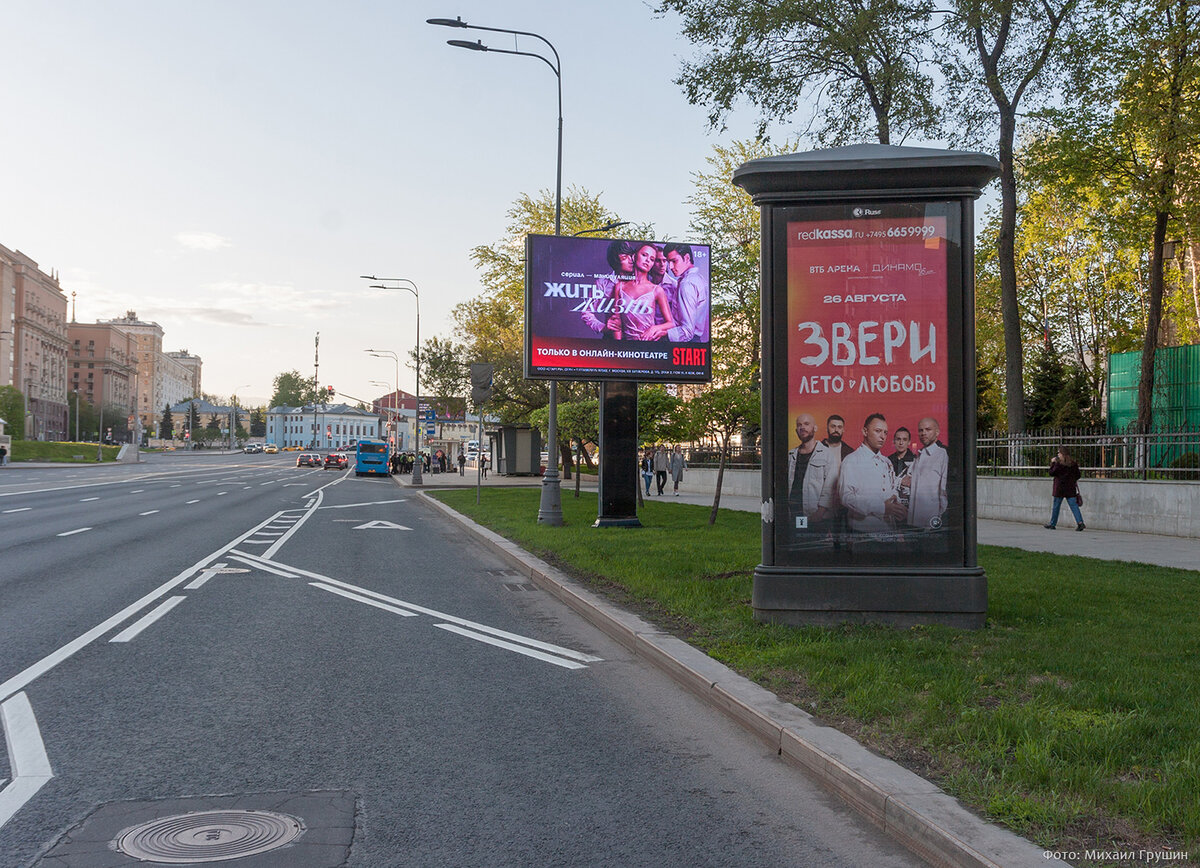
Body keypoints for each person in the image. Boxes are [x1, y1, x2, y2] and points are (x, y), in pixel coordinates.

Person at [838, 413, 907, 534]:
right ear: (865, 431)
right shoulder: (852, 460)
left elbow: (891, 488)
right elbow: (846, 498)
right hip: (864, 533)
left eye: (885, 432)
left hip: (889, 531)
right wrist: (882, 508)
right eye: (878, 431)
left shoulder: (886, 461)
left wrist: (896, 503)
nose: (882, 436)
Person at [643, 243, 709, 343]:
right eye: (669, 262)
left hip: (686, 343)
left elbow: (687, 332)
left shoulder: (686, 284)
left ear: (687, 258)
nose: (670, 267)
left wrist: (664, 333)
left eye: (674, 261)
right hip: (693, 342)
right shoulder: (698, 279)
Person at [608, 244, 676, 341]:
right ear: (634, 257)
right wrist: (618, 347)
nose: (648, 260)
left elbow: (671, 323)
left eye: (652, 259)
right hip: (627, 347)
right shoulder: (619, 287)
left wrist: (655, 328)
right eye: (644, 255)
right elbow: (616, 322)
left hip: (649, 347)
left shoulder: (656, 290)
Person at [786, 413, 837, 531]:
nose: (802, 427)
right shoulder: (790, 455)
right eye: (799, 425)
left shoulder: (827, 455)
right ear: (796, 430)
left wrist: (820, 513)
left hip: (815, 517)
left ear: (815, 428)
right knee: (796, 545)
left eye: (806, 424)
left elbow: (830, 487)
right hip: (792, 515)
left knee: (813, 546)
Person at [582, 240, 635, 335]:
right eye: (625, 257)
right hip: (611, 340)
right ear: (615, 260)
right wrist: (603, 328)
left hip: (639, 340)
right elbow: (586, 312)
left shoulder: (641, 280)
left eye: (631, 256)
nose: (630, 260)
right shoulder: (603, 283)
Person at [906, 417, 948, 530]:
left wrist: (938, 518)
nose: (923, 433)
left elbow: (944, 490)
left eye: (928, 429)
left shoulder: (942, 455)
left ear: (937, 432)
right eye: (920, 430)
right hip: (913, 522)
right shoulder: (919, 456)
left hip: (930, 522)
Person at [1045, 445, 1085, 531]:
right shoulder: (1073, 464)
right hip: (1070, 488)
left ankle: (1052, 523)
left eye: (1059, 453)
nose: (1058, 455)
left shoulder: (1058, 464)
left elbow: (1051, 473)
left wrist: (1053, 463)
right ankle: (1080, 522)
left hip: (1059, 488)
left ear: (1062, 454)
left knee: (1056, 506)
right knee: (1074, 506)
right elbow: (1078, 475)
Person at [889, 427, 918, 514]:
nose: (901, 443)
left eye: (904, 440)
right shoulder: (887, 461)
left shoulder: (916, 461)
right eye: (898, 439)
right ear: (894, 441)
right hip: (892, 506)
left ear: (909, 442)